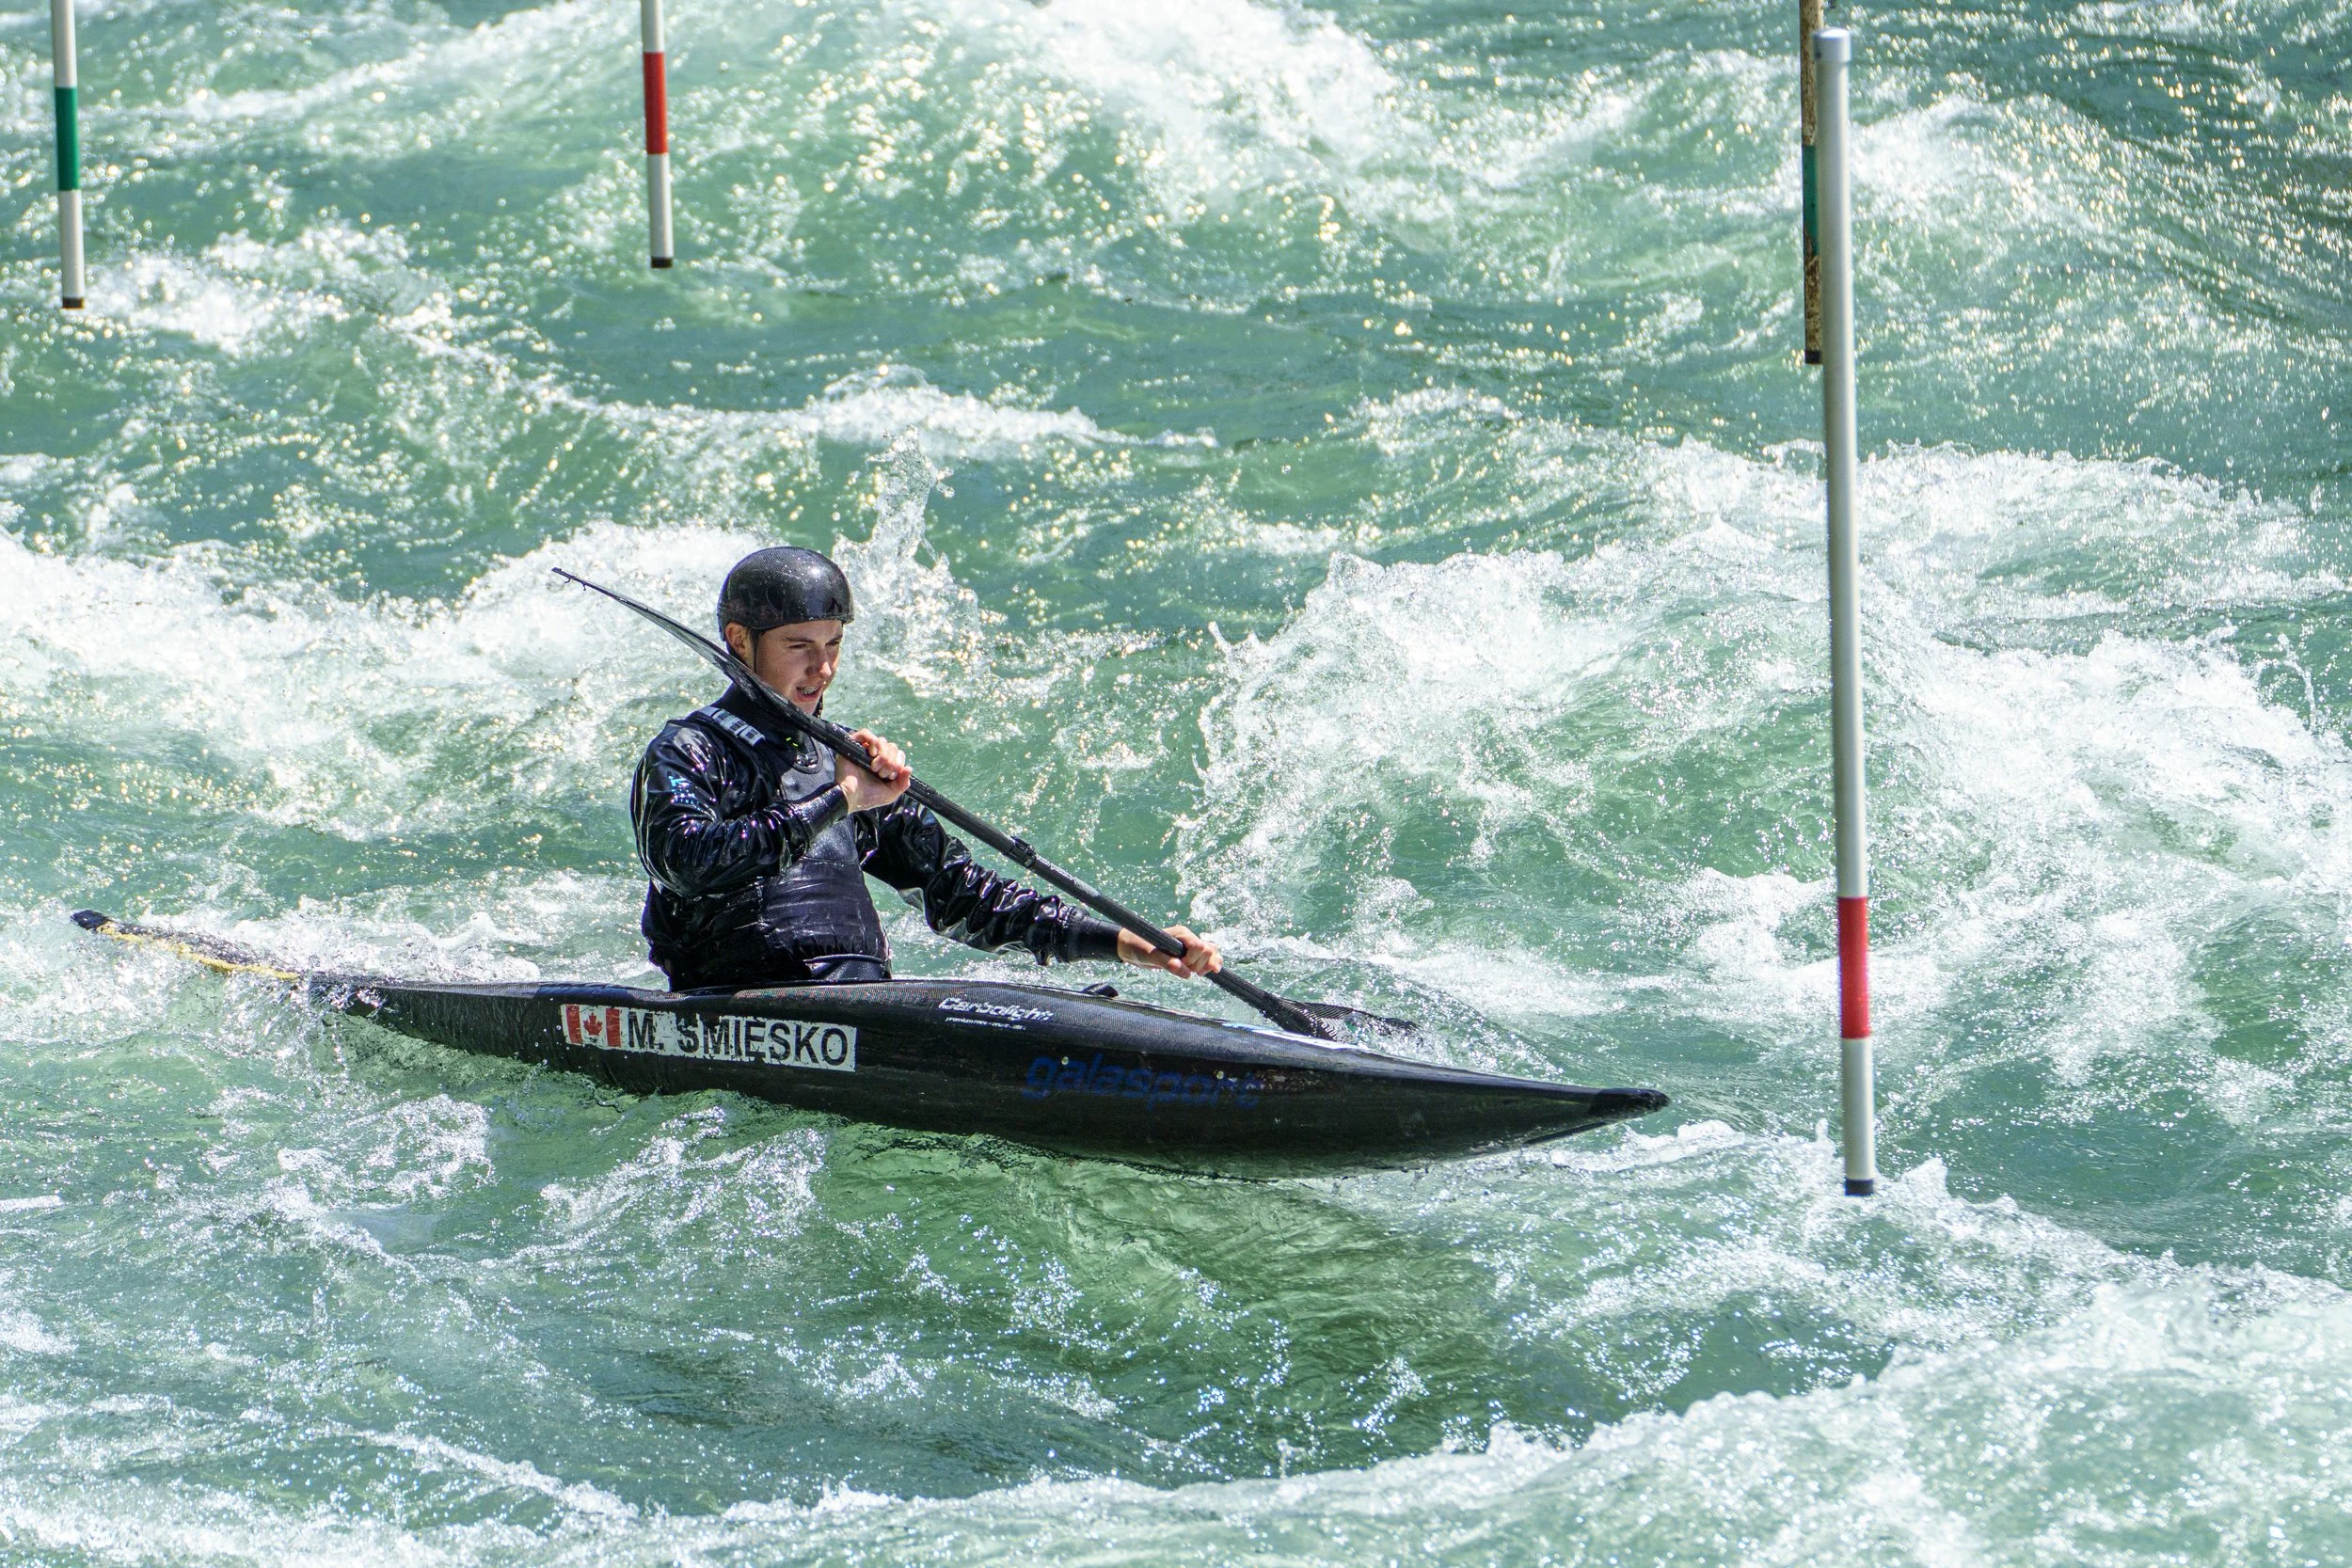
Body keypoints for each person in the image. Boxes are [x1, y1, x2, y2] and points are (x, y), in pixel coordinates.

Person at [630, 546, 1223, 991]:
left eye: (833, 644)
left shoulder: (845, 760)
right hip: (742, 1002)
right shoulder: (689, 750)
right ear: (738, 640)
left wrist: (1124, 944)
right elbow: (690, 863)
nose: (823, 668)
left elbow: (961, 894)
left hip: (857, 999)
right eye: (799, 647)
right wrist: (840, 800)